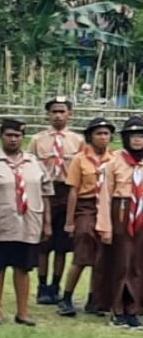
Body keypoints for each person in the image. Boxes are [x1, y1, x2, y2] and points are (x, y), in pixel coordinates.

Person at [0, 118, 52, 325]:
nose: (13, 140)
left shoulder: (35, 163)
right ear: (1, 136)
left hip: (28, 223)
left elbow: (46, 193)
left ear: (23, 138)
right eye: (9, 135)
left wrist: (47, 223)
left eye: (17, 136)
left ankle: (22, 312)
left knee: (23, 268)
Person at [56, 118, 115, 318]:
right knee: (82, 254)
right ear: (90, 136)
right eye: (99, 133)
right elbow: (73, 191)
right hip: (85, 206)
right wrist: (70, 221)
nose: (103, 137)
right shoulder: (79, 159)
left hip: (106, 207)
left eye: (106, 133)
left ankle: (94, 298)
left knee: (102, 256)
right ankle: (66, 297)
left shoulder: (114, 159)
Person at [27, 96, 83, 304]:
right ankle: (42, 286)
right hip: (45, 192)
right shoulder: (37, 140)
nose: (58, 115)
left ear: (70, 114)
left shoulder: (77, 141)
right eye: (54, 112)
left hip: (67, 191)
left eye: (62, 111)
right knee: (44, 242)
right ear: (47, 114)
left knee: (62, 244)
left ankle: (55, 285)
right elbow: (30, 167)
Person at [103, 116, 143, 328]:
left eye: (141, 136)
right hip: (121, 211)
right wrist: (105, 226)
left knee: (139, 263)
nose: (137, 140)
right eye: (133, 136)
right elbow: (104, 195)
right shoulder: (115, 161)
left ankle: (134, 308)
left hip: (142, 212)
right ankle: (117, 307)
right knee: (122, 262)